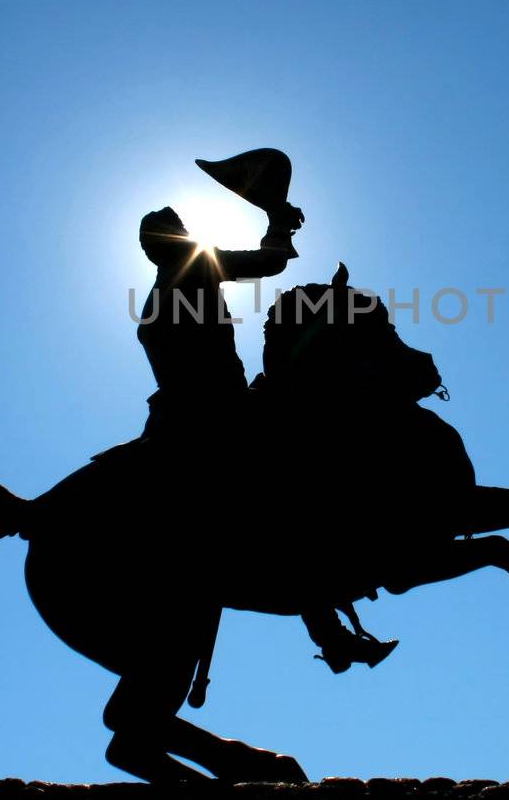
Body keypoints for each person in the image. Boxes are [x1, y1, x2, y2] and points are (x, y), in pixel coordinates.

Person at [134, 196, 395, 675]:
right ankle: (337, 619)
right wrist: (278, 223)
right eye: (180, 228)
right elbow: (270, 262)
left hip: (171, 422)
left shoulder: (154, 299)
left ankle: (332, 631)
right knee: (293, 495)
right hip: (221, 415)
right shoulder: (197, 266)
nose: (189, 233)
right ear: (172, 241)